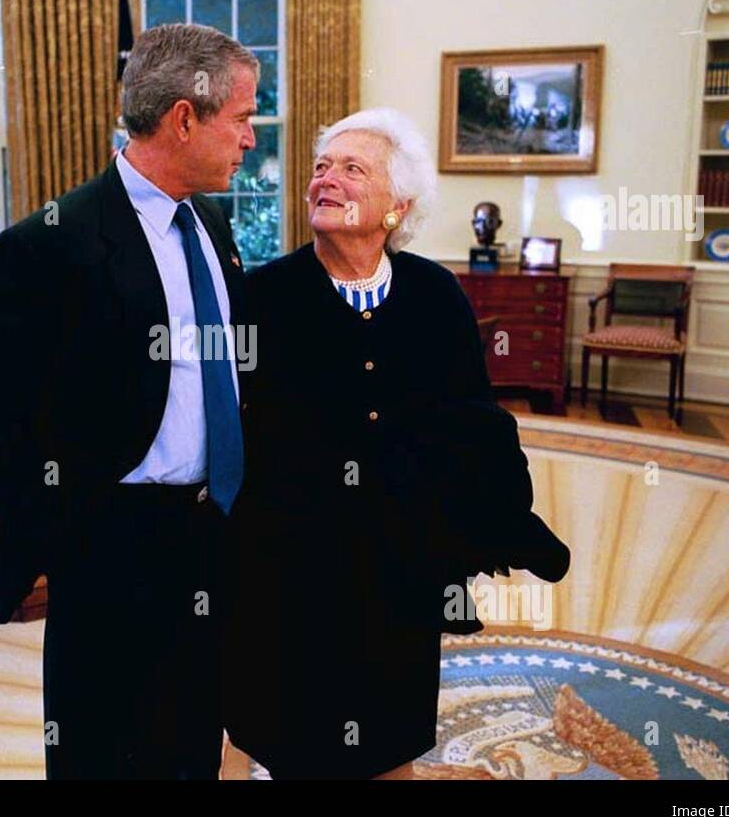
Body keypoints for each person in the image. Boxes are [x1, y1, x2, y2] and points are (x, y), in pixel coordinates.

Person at [222, 107, 569, 780]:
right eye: (322, 167)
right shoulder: (262, 297)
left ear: (396, 205)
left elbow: (475, 419)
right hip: (291, 566)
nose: (327, 179)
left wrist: (507, 519)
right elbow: (226, 426)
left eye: (353, 169)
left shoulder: (435, 295)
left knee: (389, 737)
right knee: (299, 739)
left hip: (401, 564)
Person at [0, 23, 258, 779]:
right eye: (243, 118)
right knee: (100, 746)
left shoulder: (213, 223)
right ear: (185, 118)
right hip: (109, 541)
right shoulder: (46, 246)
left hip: (212, 527)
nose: (251, 139)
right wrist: (58, 538)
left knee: (193, 734)